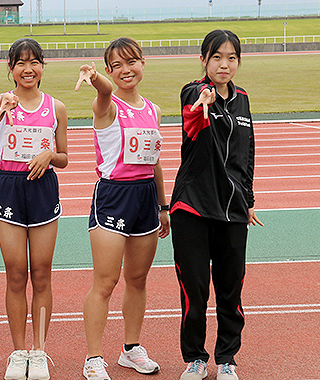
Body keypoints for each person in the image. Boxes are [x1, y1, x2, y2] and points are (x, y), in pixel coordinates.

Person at [74, 37, 169, 380]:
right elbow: (103, 90)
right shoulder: (108, 105)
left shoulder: (153, 110)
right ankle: (93, 358)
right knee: (105, 281)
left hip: (146, 198)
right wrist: (95, 77)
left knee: (138, 279)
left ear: (143, 63)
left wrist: (163, 205)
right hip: (113, 196)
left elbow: (154, 161)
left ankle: (131, 349)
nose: (125, 70)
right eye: (116, 66)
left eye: (131, 62)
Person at [171, 29, 263, 380]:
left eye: (232, 58)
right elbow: (195, 109)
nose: (224, 64)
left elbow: (247, 152)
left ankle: (227, 359)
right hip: (193, 207)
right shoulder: (194, 92)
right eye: (217, 57)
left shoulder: (242, 99)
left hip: (234, 211)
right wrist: (203, 99)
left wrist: (249, 200)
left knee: (231, 290)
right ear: (203, 60)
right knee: (194, 291)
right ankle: (195, 358)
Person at [0, 37, 68, 380]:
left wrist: (50, 155)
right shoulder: (2, 101)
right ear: (10, 69)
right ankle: (18, 352)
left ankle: (39, 351)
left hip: (43, 189)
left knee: (41, 272)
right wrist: (5, 102)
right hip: (9, 187)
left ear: (42, 67)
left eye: (34, 62)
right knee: (16, 272)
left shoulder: (56, 107)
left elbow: (64, 158)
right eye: (20, 63)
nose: (28, 69)